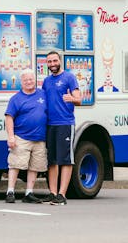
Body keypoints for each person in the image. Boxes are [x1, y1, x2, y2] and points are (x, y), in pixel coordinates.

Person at [42, 51, 81, 205]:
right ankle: (52, 193)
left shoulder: (69, 77)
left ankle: (62, 195)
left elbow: (79, 99)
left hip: (65, 123)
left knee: (65, 160)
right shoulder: (46, 81)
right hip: (50, 124)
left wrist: (72, 98)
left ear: (60, 61)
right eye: (49, 62)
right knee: (52, 161)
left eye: (54, 61)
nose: (52, 64)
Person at [4, 69, 47, 204]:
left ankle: (29, 193)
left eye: (31, 79)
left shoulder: (43, 94)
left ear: (35, 80)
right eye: (26, 80)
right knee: (15, 165)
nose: (29, 82)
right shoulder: (16, 99)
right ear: (21, 82)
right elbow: (9, 118)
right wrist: (11, 137)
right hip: (21, 137)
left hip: (40, 138)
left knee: (35, 167)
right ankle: (10, 191)